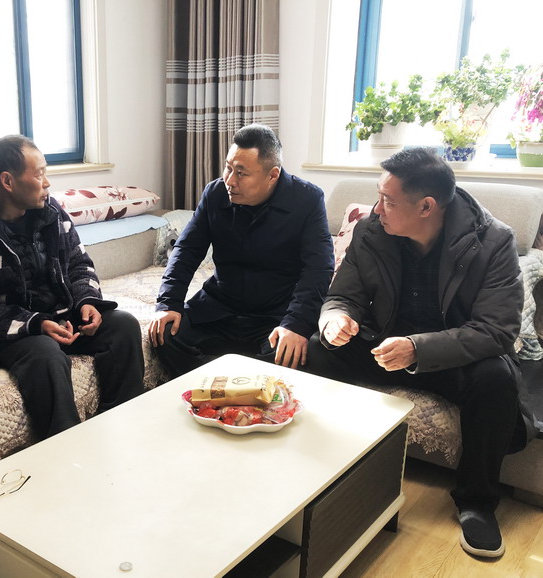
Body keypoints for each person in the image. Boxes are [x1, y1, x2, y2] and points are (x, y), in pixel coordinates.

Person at [305, 147, 530, 559]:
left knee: (496, 378)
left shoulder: (493, 241)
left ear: (426, 206)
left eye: (388, 201)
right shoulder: (372, 229)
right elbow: (342, 296)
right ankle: (317, 461)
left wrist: (417, 349)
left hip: (451, 355)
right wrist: (336, 319)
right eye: (378, 196)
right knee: (319, 348)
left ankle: (477, 503)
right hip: (385, 344)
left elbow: (497, 331)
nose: (377, 208)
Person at [0, 135, 144, 440]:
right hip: (3, 331)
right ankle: (66, 446)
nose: (47, 183)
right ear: (8, 181)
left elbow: (79, 264)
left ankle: (122, 426)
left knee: (123, 325)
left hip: (58, 315)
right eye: (39, 175)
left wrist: (86, 302)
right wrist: (36, 324)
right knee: (46, 354)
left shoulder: (51, 211)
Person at [148, 123, 334, 375]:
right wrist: (168, 303)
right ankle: (217, 386)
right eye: (228, 168)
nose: (230, 181)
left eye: (241, 173)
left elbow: (319, 268)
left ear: (273, 175)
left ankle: (227, 383)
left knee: (293, 354)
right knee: (164, 334)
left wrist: (297, 324)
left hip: (275, 314)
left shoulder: (307, 199)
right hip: (219, 307)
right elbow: (187, 250)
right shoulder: (215, 193)